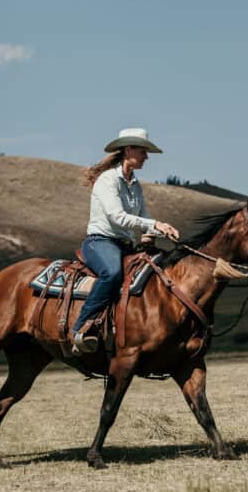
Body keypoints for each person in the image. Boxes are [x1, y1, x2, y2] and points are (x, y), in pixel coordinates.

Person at [72, 128, 180, 354]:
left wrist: (161, 230)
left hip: (124, 245)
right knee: (111, 273)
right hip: (100, 241)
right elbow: (116, 216)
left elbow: (144, 218)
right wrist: (155, 225)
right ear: (129, 150)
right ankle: (82, 328)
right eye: (143, 151)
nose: (146, 157)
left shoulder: (135, 184)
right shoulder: (107, 180)